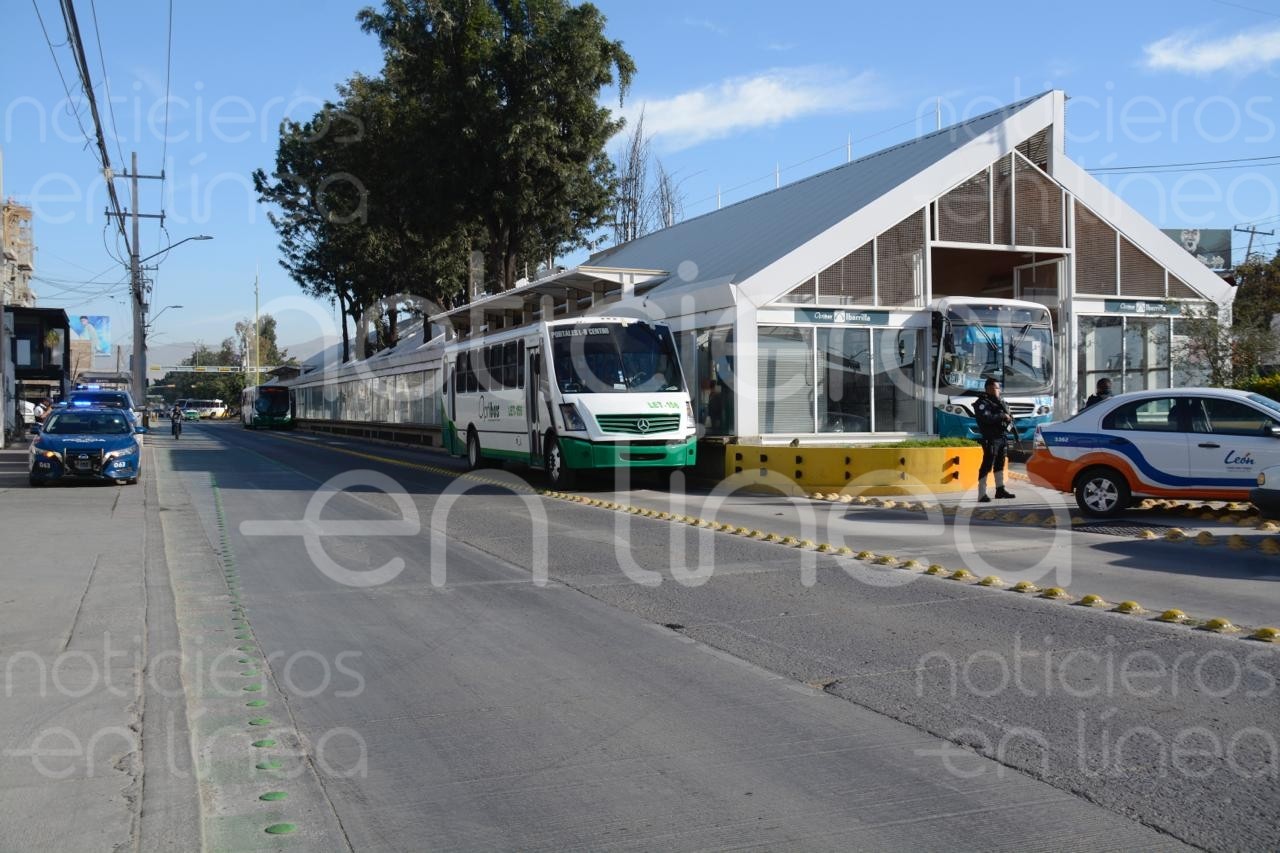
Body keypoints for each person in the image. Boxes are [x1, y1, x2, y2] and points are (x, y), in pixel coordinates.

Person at [974, 377, 1016, 502]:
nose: (998, 390)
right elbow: (986, 418)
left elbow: (1009, 415)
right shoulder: (982, 403)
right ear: (989, 389)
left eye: (998, 388)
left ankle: (1000, 490)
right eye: (996, 388)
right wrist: (1002, 415)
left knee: (1000, 464)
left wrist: (1008, 416)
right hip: (990, 438)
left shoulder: (1000, 402)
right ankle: (982, 493)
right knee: (987, 465)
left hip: (1002, 437)